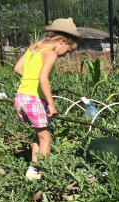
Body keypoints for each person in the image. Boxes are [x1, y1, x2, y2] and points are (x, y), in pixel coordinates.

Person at [13, 18, 81, 180]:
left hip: (20, 98)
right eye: (68, 51)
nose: (65, 55)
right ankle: (42, 172)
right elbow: (44, 78)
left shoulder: (33, 48)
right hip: (34, 100)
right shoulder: (50, 53)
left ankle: (32, 171)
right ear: (64, 41)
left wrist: (31, 79)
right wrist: (51, 104)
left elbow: (17, 68)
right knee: (46, 138)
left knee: (39, 135)